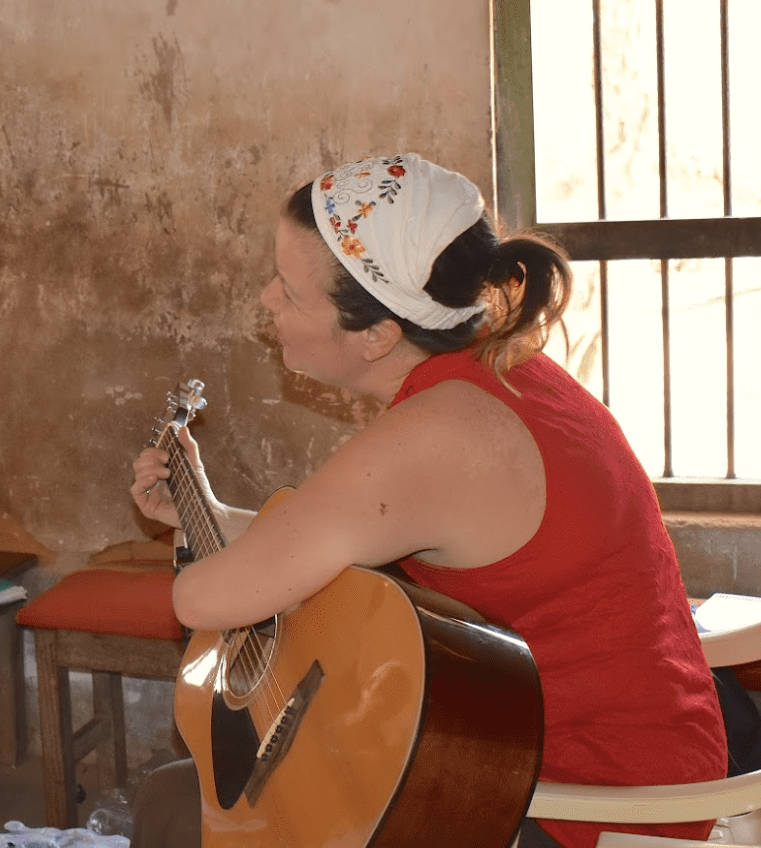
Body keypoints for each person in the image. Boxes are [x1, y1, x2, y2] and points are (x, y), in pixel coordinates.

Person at [129, 153, 727, 848]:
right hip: (622, 754)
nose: (266, 298)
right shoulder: (505, 370)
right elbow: (333, 553)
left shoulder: (433, 436)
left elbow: (201, 601)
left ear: (379, 334)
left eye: (290, 293)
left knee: (185, 809)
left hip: (589, 805)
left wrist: (213, 549)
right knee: (184, 796)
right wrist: (204, 510)